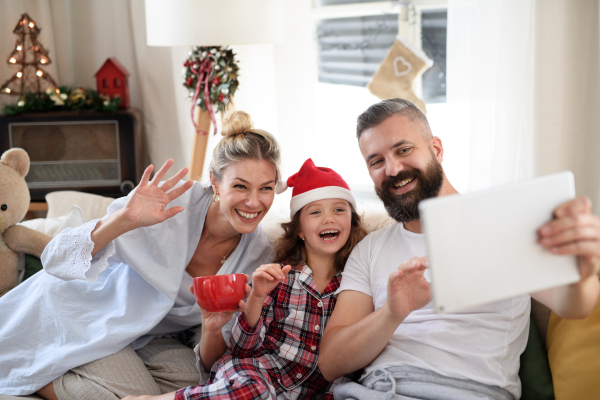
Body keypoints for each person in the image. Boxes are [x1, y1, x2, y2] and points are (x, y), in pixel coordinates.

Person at [319, 98, 600, 400]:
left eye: (404, 150)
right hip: (378, 389)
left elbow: (575, 306)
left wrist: (583, 271)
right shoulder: (370, 248)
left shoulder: (504, 224)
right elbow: (331, 363)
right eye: (376, 161)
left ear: (436, 150)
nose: (393, 169)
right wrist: (392, 313)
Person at [0, 111, 282, 400]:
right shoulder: (173, 204)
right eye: (240, 186)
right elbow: (54, 259)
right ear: (214, 180)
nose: (253, 202)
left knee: (192, 384)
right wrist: (125, 219)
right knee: (139, 395)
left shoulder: (259, 255)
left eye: (266, 189)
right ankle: (36, 377)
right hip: (87, 313)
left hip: (147, 336)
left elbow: (215, 358)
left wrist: (211, 329)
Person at [121, 158, 368, 400]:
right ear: (300, 230)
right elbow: (241, 349)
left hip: (313, 390)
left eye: (339, 210)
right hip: (258, 373)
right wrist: (257, 298)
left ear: (352, 219)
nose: (329, 219)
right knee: (253, 391)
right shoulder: (278, 276)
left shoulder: (357, 284)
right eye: (315, 212)